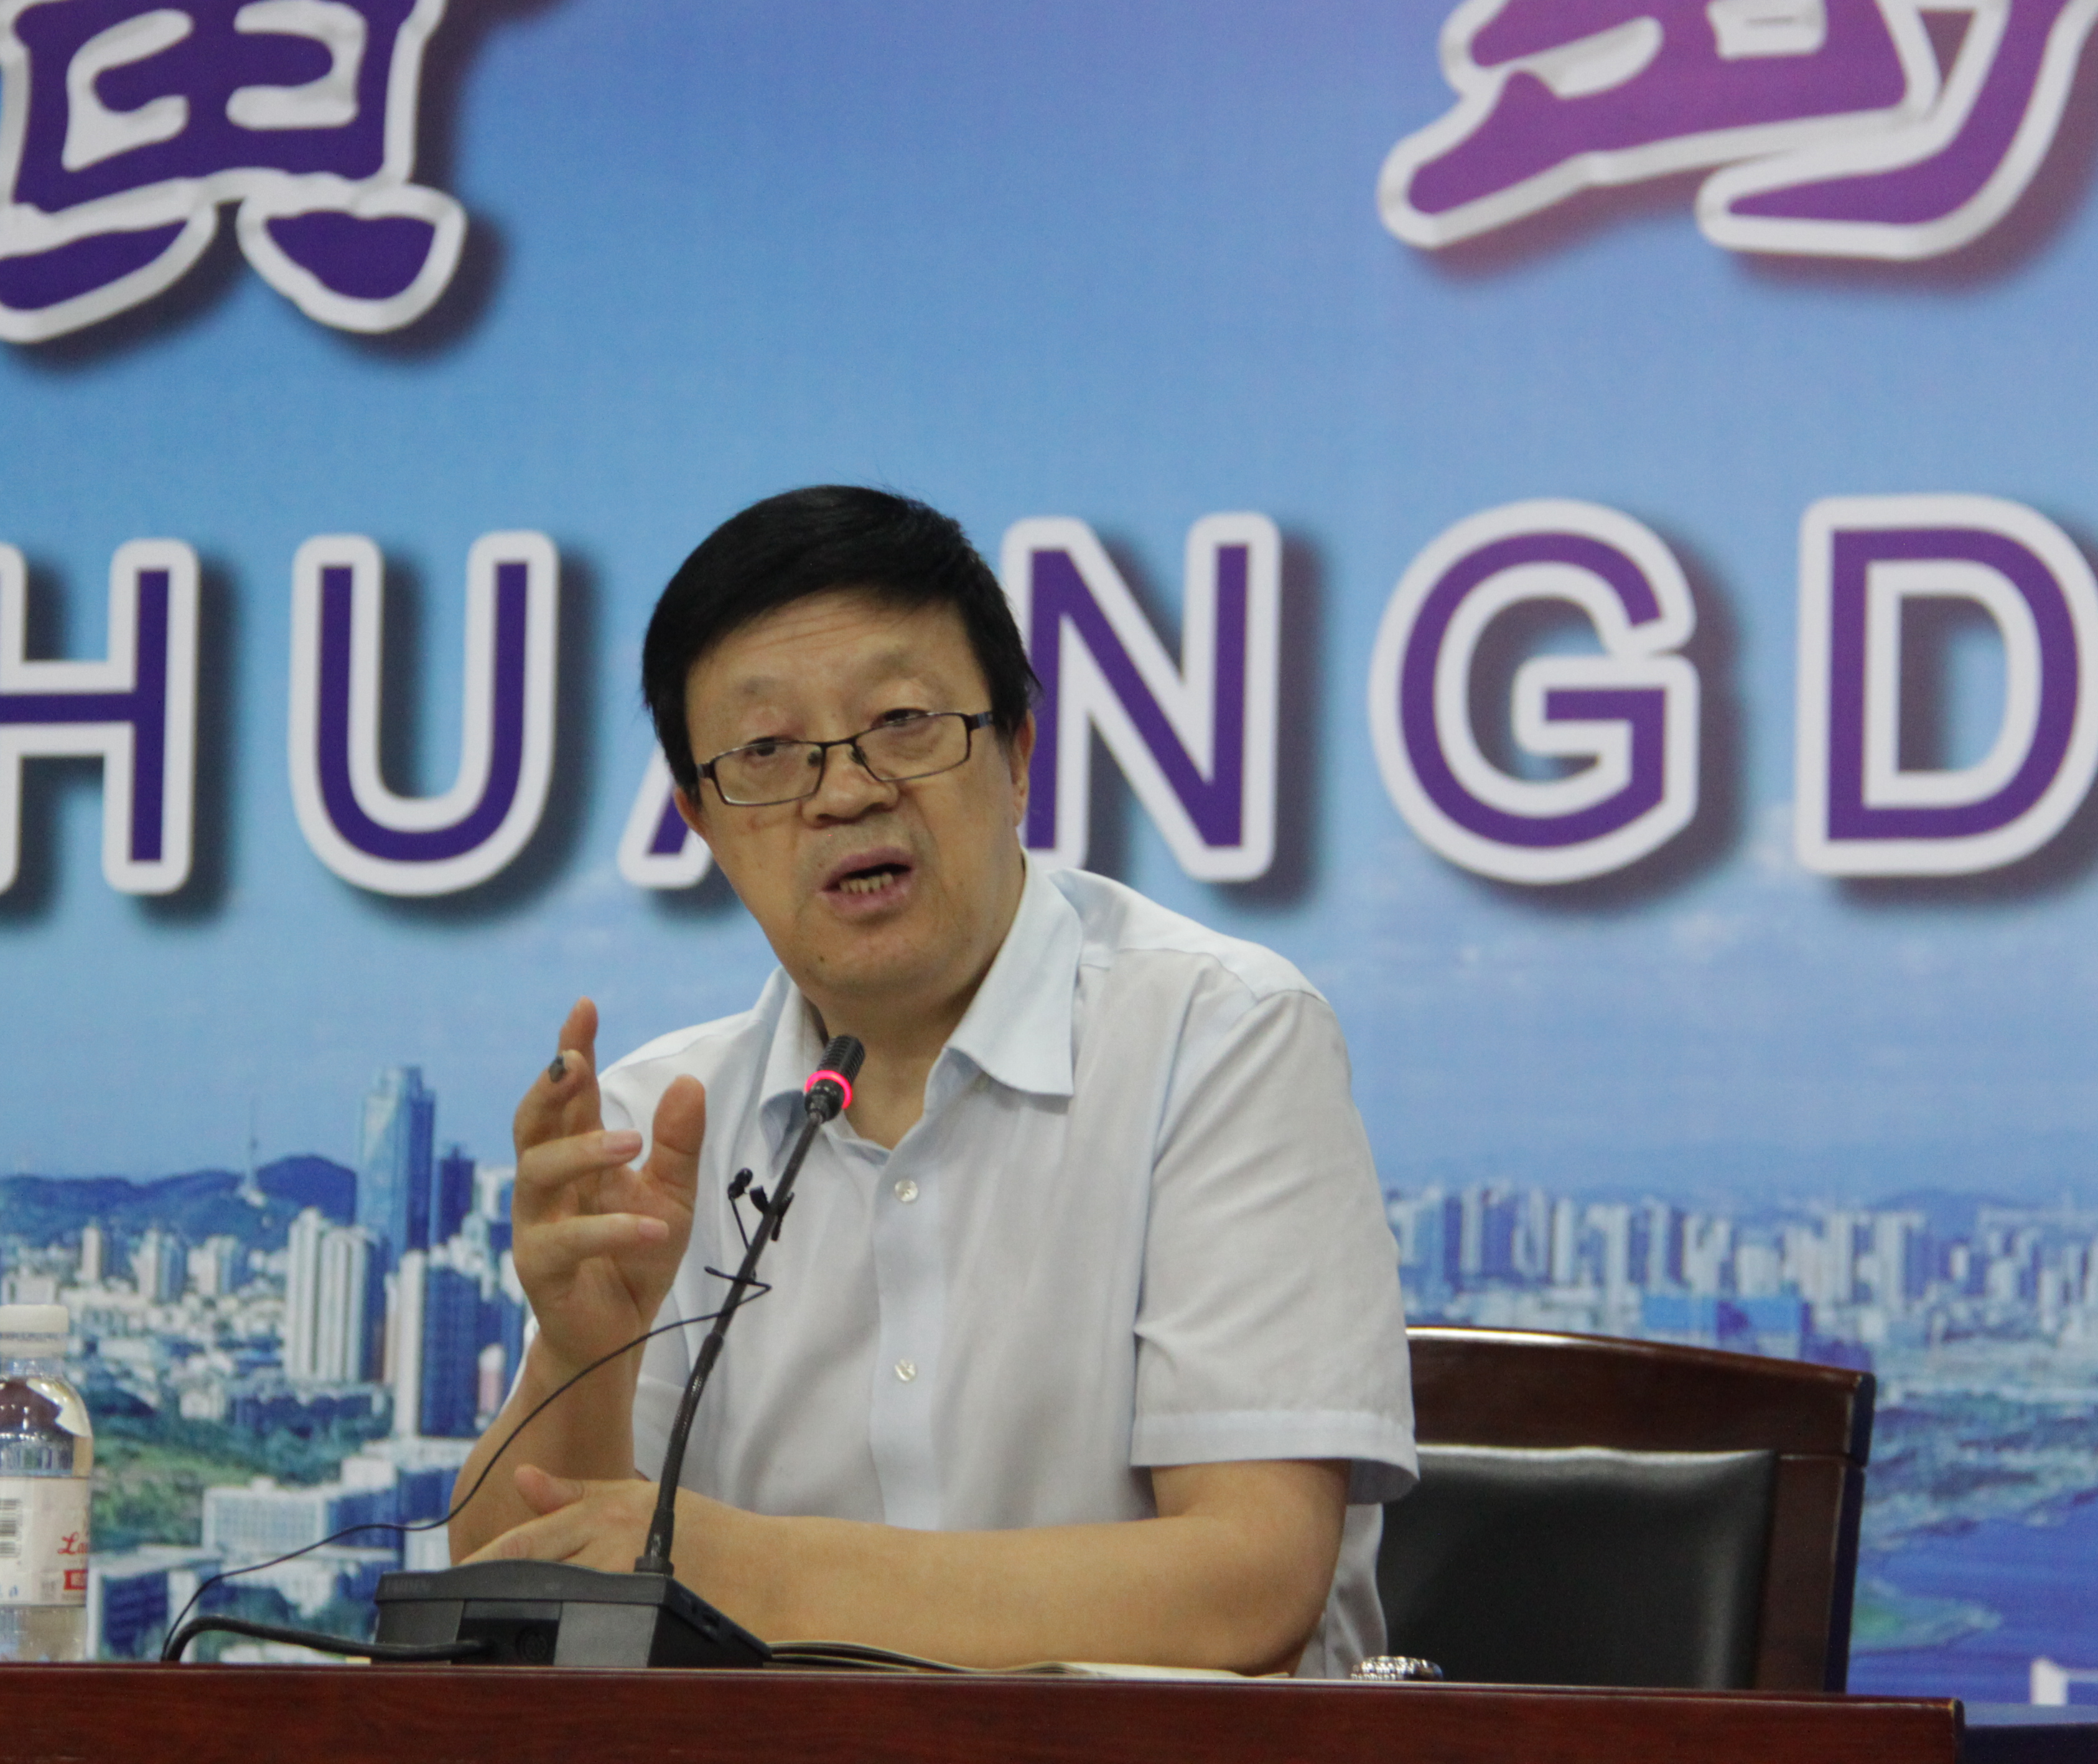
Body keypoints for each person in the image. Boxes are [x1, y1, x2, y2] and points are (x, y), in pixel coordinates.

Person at [449, 486, 1412, 1674]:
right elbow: (497, 1617)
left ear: (1018, 757)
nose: (845, 791)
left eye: (903, 722)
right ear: (703, 821)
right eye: (767, 753)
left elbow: (1247, 1587)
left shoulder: (1219, 1038)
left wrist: (735, 1567)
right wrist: (577, 1356)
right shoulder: (662, 1129)